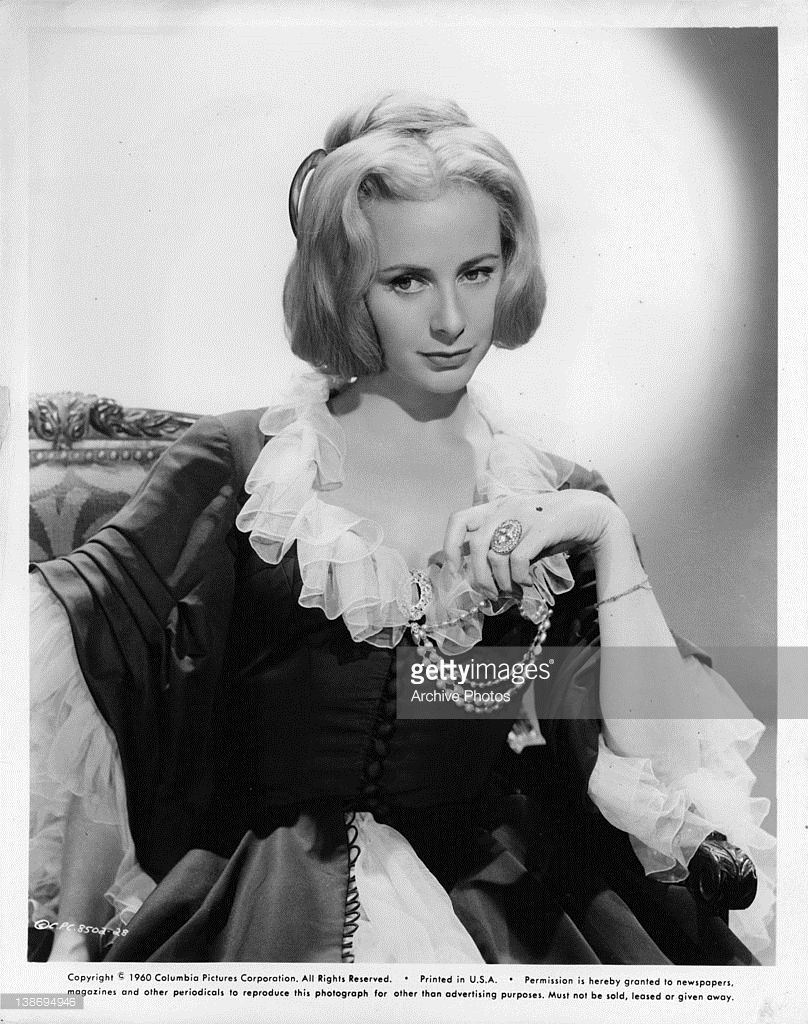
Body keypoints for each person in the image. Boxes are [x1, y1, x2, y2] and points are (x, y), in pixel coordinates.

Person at [29, 93, 774, 964]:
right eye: (407, 280)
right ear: (345, 285)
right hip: (263, 891)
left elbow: (650, 760)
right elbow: (113, 697)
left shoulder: (561, 495)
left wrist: (606, 536)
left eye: (477, 272)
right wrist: (72, 947)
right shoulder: (240, 465)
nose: (452, 319)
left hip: (496, 898)